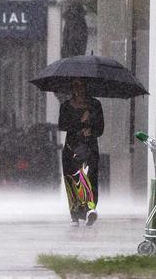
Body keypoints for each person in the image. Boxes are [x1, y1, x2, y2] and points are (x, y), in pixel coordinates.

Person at [58, 78, 104, 227]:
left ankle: (90, 209)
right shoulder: (66, 106)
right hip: (71, 149)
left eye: (82, 85)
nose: (79, 89)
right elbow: (63, 125)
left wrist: (90, 129)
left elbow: (100, 128)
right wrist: (81, 122)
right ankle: (75, 214)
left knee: (90, 178)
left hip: (90, 148)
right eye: (76, 86)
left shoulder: (95, 105)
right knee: (72, 180)